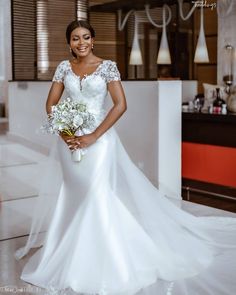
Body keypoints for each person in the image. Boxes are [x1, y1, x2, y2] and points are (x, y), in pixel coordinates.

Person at [15, 20, 236, 295]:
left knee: (97, 196)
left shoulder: (107, 67)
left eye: (85, 37)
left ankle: (109, 260)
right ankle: (70, 253)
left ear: (93, 40)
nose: (81, 42)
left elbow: (121, 105)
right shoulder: (63, 67)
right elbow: (50, 104)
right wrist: (66, 134)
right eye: (75, 38)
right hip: (69, 143)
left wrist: (93, 136)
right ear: (68, 42)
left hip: (99, 144)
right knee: (75, 196)